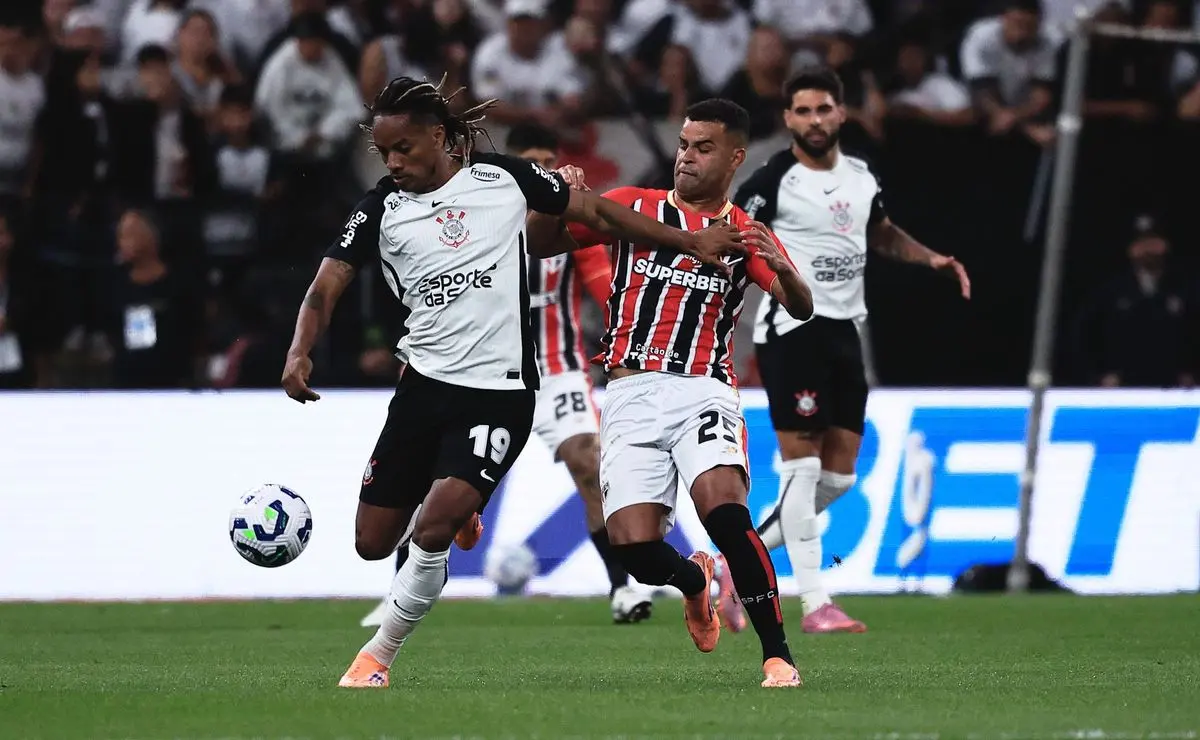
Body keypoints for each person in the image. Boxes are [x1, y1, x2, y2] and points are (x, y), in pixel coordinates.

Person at [280, 76, 744, 689]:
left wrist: (690, 240)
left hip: (502, 392)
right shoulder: (379, 208)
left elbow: (599, 212)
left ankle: (377, 657)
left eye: (405, 149)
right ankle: (462, 503)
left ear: (440, 138)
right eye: (385, 151)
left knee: (437, 525)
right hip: (422, 388)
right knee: (372, 541)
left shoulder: (502, 179)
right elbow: (326, 284)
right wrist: (299, 351)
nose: (394, 163)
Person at [549, 98, 814, 688]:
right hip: (628, 392)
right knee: (635, 552)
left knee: (725, 511)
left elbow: (800, 305)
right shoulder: (629, 206)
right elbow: (542, 243)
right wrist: (562, 198)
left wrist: (787, 272)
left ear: (735, 157)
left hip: (704, 389)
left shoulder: (745, 232)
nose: (687, 158)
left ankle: (778, 656)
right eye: (683, 145)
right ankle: (696, 581)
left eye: (703, 147)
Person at [358, 122, 649, 629]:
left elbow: (605, 289)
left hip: (556, 369)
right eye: (532, 163)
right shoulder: (477, 214)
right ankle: (398, 591)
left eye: (548, 164)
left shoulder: (563, 230)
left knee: (589, 462)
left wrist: (626, 351)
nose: (542, 174)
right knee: (430, 484)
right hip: (480, 371)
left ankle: (621, 588)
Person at [727, 66, 971, 634]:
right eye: (803, 111)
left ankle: (730, 563)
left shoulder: (861, 175)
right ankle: (816, 604)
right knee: (804, 469)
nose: (815, 120)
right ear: (788, 118)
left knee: (837, 480)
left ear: (842, 112)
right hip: (793, 329)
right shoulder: (771, 180)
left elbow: (880, 233)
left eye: (824, 109)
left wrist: (930, 258)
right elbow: (732, 239)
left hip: (845, 333)